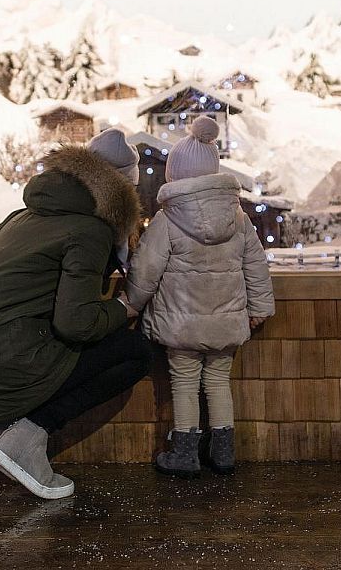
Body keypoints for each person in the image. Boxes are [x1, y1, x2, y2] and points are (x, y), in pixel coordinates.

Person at [0, 129, 146, 500]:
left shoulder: (22, 216)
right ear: (123, 195)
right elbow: (75, 322)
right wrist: (122, 307)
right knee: (135, 351)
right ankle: (26, 437)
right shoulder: (90, 230)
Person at [126, 116, 275, 478]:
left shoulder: (167, 219)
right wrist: (259, 308)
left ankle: (185, 454)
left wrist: (131, 304)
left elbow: (146, 270)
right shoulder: (239, 218)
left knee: (184, 383)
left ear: (174, 176)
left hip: (180, 323)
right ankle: (223, 453)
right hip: (227, 321)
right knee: (219, 382)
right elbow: (256, 266)